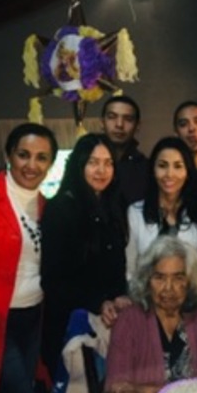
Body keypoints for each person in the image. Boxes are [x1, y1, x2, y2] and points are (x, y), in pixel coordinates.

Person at [105, 235, 197, 393]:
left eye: (178, 278)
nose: (168, 288)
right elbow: (115, 384)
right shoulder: (128, 319)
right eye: (159, 277)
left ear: (190, 281)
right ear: (147, 280)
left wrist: (141, 391)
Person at [41, 133, 129, 380]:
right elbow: (54, 279)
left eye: (108, 163)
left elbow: (115, 266)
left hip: (107, 323)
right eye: (93, 162)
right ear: (79, 165)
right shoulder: (61, 209)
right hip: (70, 325)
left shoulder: (114, 206)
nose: (101, 170)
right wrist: (97, 302)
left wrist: (119, 296)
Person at [0, 123, 58, 393]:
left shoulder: (48, 207)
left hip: (33, 319)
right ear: (9, 155)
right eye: (23, 154)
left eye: (42, 157)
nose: (32, 165)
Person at [125, 136, 197, 280]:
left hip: (194, 292)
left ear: (188, 171)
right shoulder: (135, 212)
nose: (169, 174)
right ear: (153, 170)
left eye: (178, 166)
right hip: (146, 293)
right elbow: (131, 271)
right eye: (162, 166)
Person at [101, 95, 149, 205]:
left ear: (137, 125)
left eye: (128, 119)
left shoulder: (146, 168)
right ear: (102, 122)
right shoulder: (86, 161)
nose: (119, 124)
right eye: (112, 117)